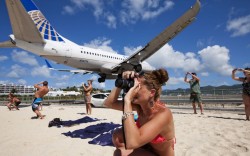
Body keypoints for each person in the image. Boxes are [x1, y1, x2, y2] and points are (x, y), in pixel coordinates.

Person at [104, 69, 175, 156]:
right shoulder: (140, 107)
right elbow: (109, 103)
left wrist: (127, 101)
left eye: (138, 86)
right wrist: (121, 82)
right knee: (118, 135)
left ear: (152, 92)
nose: (133, 90)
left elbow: (132, 143)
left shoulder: (163, 114)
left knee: (120, 153)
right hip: (147, 150)